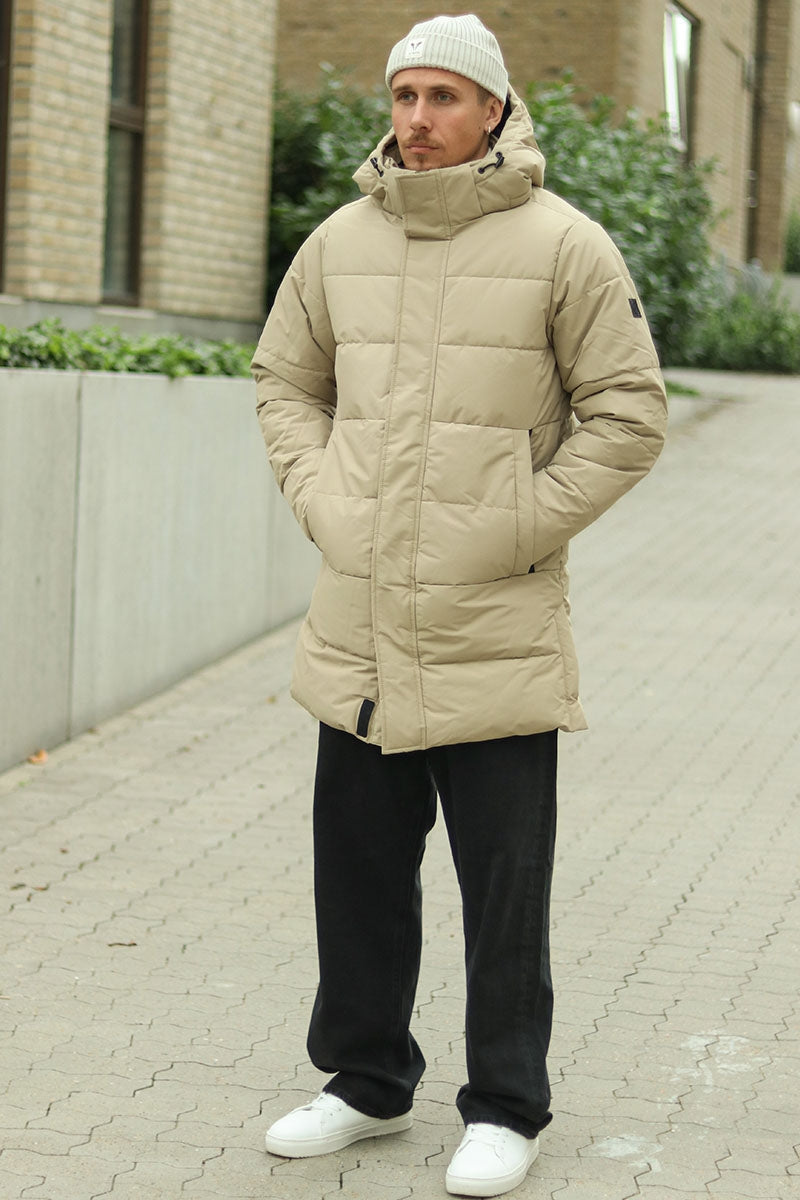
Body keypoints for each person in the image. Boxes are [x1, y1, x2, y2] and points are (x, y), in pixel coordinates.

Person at [251, 13, 667, 1197]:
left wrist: (513, 526)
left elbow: (628, 415)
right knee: (358, 876)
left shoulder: (565, 245)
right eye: (403, 95)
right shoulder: (337, 242)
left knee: (502, 890)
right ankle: (365, 1083)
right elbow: (283, 379)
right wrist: (325, 498)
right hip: (359, 629)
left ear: (492, 109)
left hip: (494, 631)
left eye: (442, 97)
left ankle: (505, 1107)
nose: (417, 118)